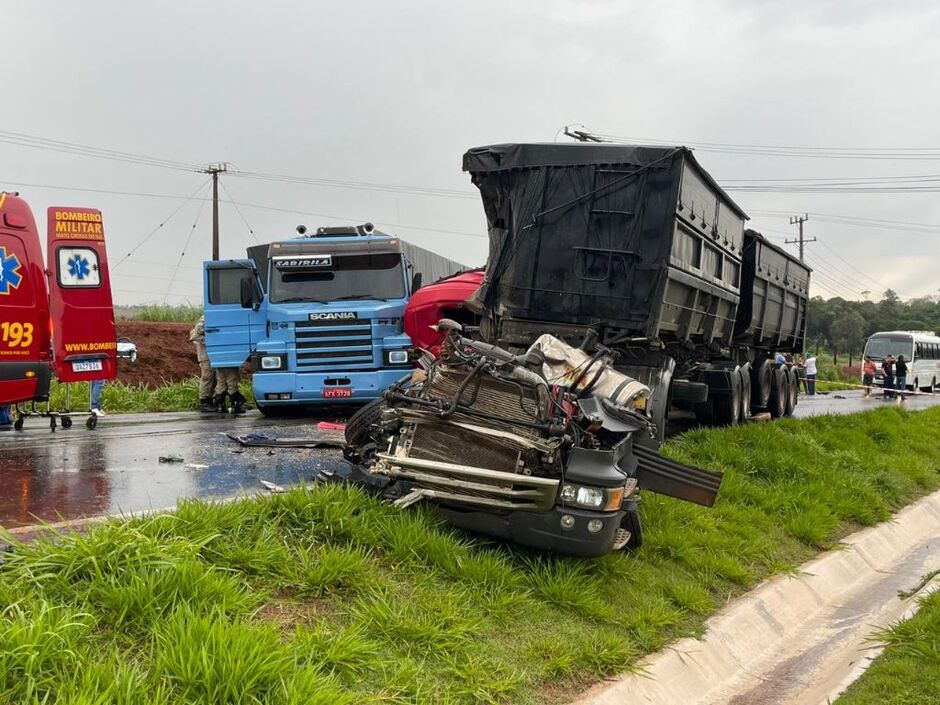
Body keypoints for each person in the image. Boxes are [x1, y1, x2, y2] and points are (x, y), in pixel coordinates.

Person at [189, 316, 217, 413]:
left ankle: (211, 400)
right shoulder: (204, 321)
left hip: (211, 355)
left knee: (214, 378)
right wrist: (210, 342)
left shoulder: (211, 319)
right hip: (205, 356)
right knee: (207, 378)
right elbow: (194, 336)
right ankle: (204, 401)